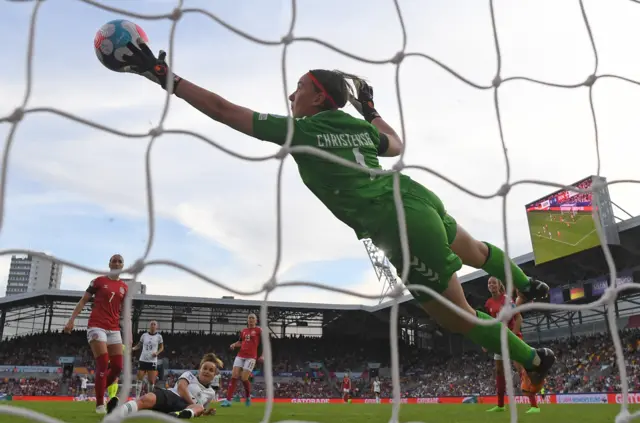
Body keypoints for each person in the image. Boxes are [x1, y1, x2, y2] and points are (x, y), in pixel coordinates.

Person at [119, 42, 556, 387]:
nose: (292, 94)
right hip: (418, 197)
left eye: (300, 88)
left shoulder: (301, 130)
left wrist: (165, 77)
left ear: (317, 99)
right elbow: (397, 144)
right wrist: (370, 110)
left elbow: (224, 111)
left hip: (396, 226)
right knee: (477, 250)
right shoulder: (359, 129)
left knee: (458, 319)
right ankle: (529, 283)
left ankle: (536, 360)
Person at [64, 254, 130, 414]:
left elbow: (126, 314)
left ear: (123, 265)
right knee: (103, 362)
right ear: (109, 264)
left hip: (114, 329)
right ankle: (100, 404)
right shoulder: (98, 281)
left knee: (117, 367)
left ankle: (99, 389)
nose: (116, 262)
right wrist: (71, 319)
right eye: (114, 260)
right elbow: (83, 300)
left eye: (119, 261)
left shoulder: (124, 287)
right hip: (97, 326)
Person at [484, 277, 540, 414]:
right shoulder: (489, 303)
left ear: (499, 285)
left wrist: (513, 336)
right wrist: (486, 342)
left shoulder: (506, 300)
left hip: (512, 337)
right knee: (499, 371)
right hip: (499, 339)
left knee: (521, 369)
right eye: (489, 283)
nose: (491, 285)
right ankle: (500, 405)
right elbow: (492, 324)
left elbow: (519, 318)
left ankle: (534, 406)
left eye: (493, 283)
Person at [111, 353, 223, 419]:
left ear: (214, 375)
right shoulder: (189, 375)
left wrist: (207, 412)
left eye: (211, 370)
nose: (207, 371)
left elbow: (202, 410)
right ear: (199, 370)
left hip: (185, 407)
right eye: (205, 368)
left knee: (198, 407)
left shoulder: (211, 393)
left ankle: (179, 415)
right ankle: (118, 411)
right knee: (147, 398)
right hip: (172, 395)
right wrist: (193, 404)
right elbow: (181, 388)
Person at [222, 313, 263, 407]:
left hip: (251, 357)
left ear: (256, 321)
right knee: (234, 376)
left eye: (253, 318)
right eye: (249, 318)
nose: (251, 319)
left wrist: (263, 355)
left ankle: (248, 397)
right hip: (240, 355)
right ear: (247, 320)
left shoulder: (258, 330)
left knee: (244, 378)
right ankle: (228, 401)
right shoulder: (244, 331)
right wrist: (234, 344)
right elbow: (241, 342)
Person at [131, 320, 164, 398]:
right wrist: (133, 348)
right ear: (149, 326)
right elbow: (139, 345)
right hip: (143, 359)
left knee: (151, 381)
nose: (152, 325)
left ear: (157, 326)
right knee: (139, 379)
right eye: (151, 324)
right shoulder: (144, 335)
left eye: (154, 324)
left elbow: (162, 347)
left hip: (152, 361)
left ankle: (149, 397)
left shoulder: (159, 336)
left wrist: (157, 353)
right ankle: (137, 397)